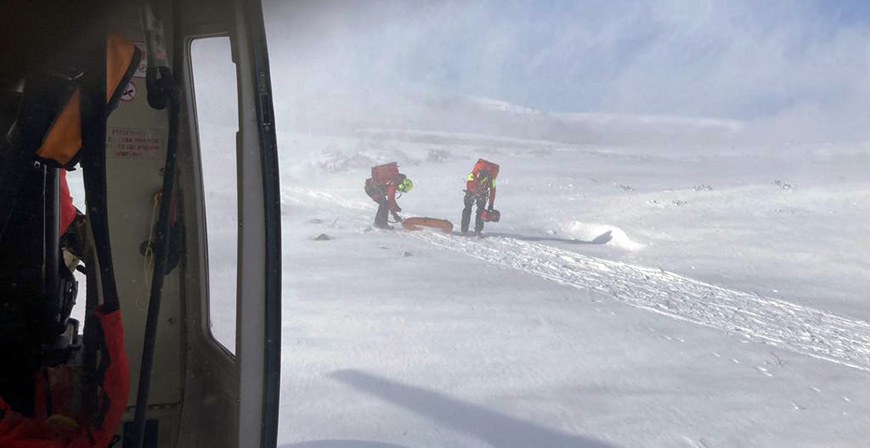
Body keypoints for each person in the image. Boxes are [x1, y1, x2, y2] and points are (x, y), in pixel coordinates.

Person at [365, 162, 413, 229]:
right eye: (401, 189)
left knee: (385, 204)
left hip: (371, 188)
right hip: (371, 190)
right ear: (402, 185)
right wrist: (394, 214)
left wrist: (395, 207)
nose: (399, 190)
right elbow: (391, 199)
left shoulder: (395, 180)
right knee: (384, 204)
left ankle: (380, 223)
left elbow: (391, 200)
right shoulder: (393, 184)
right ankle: (380, 224)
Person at [461, 159, 499, 236]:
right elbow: (469, 185)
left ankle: (477, 231)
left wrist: (491, 204)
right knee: (467, 210)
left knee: (481, 212)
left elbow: (493, 192)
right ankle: (464, 231)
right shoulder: (472, 175)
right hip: (471, 193)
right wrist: (473, 193)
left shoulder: (492, 180)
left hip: (482, 194)